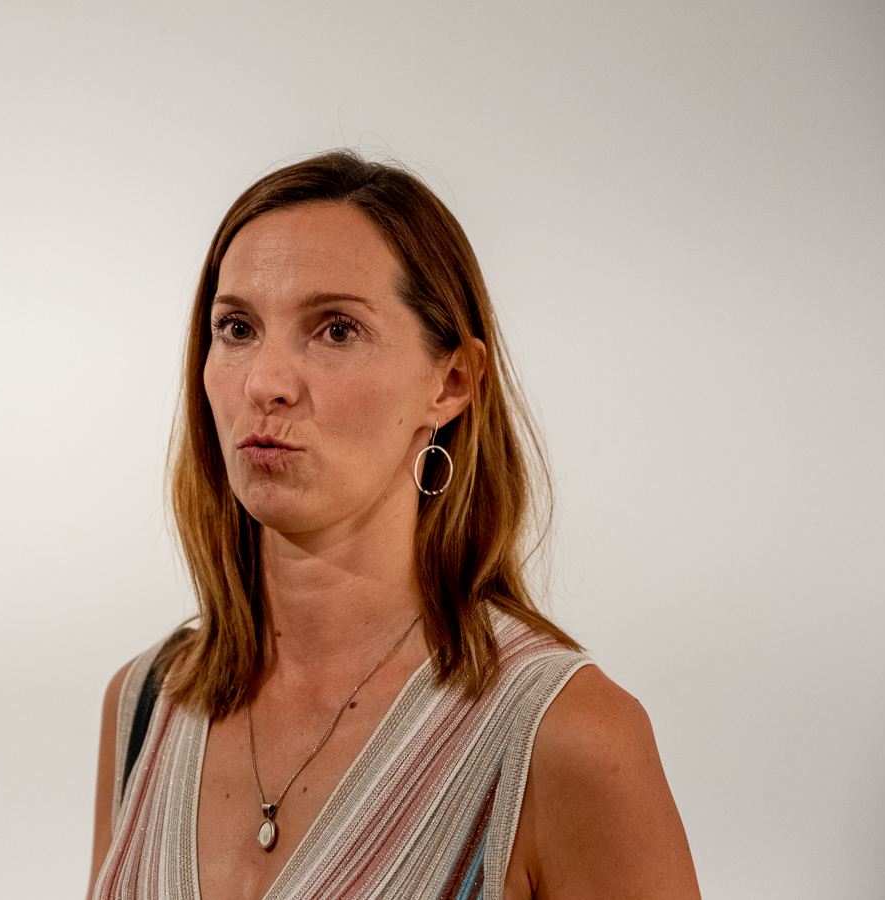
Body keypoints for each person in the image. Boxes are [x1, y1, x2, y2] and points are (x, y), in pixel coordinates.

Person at [88, 151, 701, 900]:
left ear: (452, 381)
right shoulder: (147, 705)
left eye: (336, 330)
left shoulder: (564, 734)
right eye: (238, 327)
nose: (266, 383)